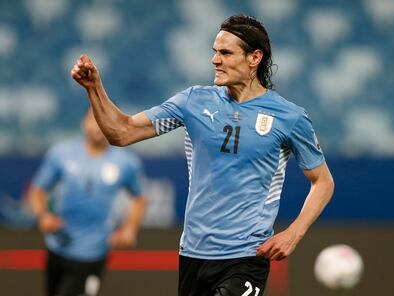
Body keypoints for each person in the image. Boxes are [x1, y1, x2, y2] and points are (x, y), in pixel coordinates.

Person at [71, 14, 334, 296]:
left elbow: (323, 182)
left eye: (225, 52)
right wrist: (94, 89)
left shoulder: (289, 117)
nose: (215, 60)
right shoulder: (193, 101)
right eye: (214, 52)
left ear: (254, 58)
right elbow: (122, 132)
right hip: (194, 255)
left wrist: (294, 233)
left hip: (246, 257)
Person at [28, 109, 147, 296]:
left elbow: (140, 198)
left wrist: (129, 228)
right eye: (93, 118)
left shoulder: (126, 162)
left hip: (92, 252)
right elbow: (37, 190)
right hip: (57, 246)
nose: (98, 124)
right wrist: (43, 216)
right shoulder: (61, 153)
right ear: (84, 122)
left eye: (104, 118)